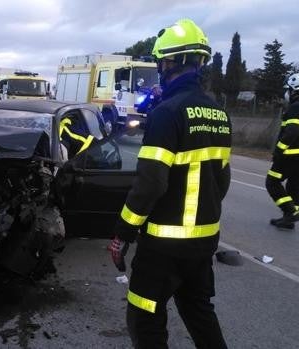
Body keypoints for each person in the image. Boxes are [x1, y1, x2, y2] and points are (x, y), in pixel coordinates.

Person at [107, 19, 231, 348]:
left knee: (144, 319)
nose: (160, 69)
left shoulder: (167, 113)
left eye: (161, 62)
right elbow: (223, 180)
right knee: (200, 314)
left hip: (162, 247)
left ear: (170, 62)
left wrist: (122, 232)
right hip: (204, 243)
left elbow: (150, 184)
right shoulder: (218, 113)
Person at [265, 72, 299, 229]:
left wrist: (279, 150)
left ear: (294, 90)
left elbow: (292, 131)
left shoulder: (296, 108)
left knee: (272, 182)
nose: (287, 93)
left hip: (289, 155)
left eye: (288, 90)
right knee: (294, 185)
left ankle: (290, 212)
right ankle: (290, 218)